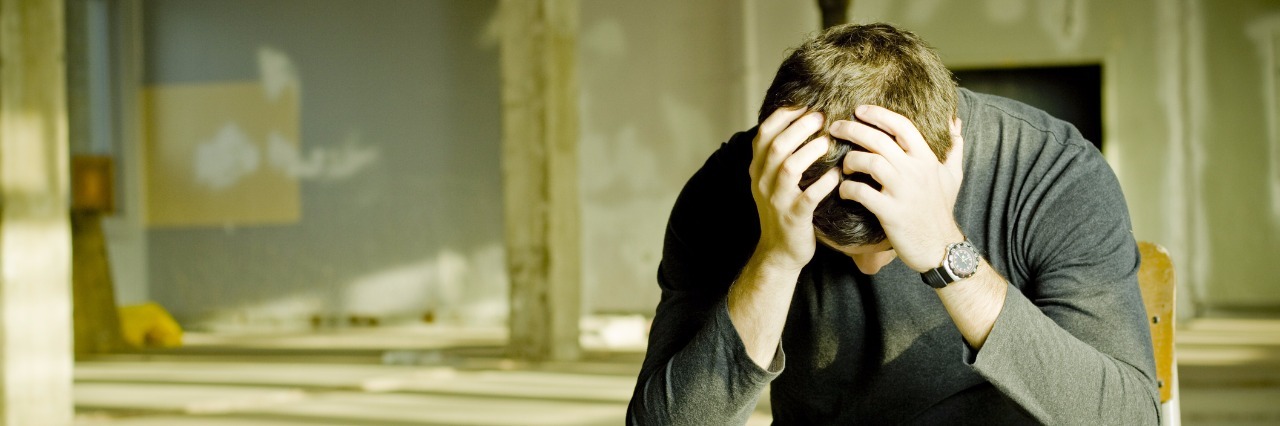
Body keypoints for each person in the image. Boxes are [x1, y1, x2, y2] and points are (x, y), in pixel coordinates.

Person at [627, 23, 1159, 425]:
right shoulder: (731, 188)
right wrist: (775, 260)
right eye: (833, 244)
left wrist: (946, 251)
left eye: (886, 240)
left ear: (948, 150)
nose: (868, 267)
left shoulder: (1053, 172)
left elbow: (1129, 416)